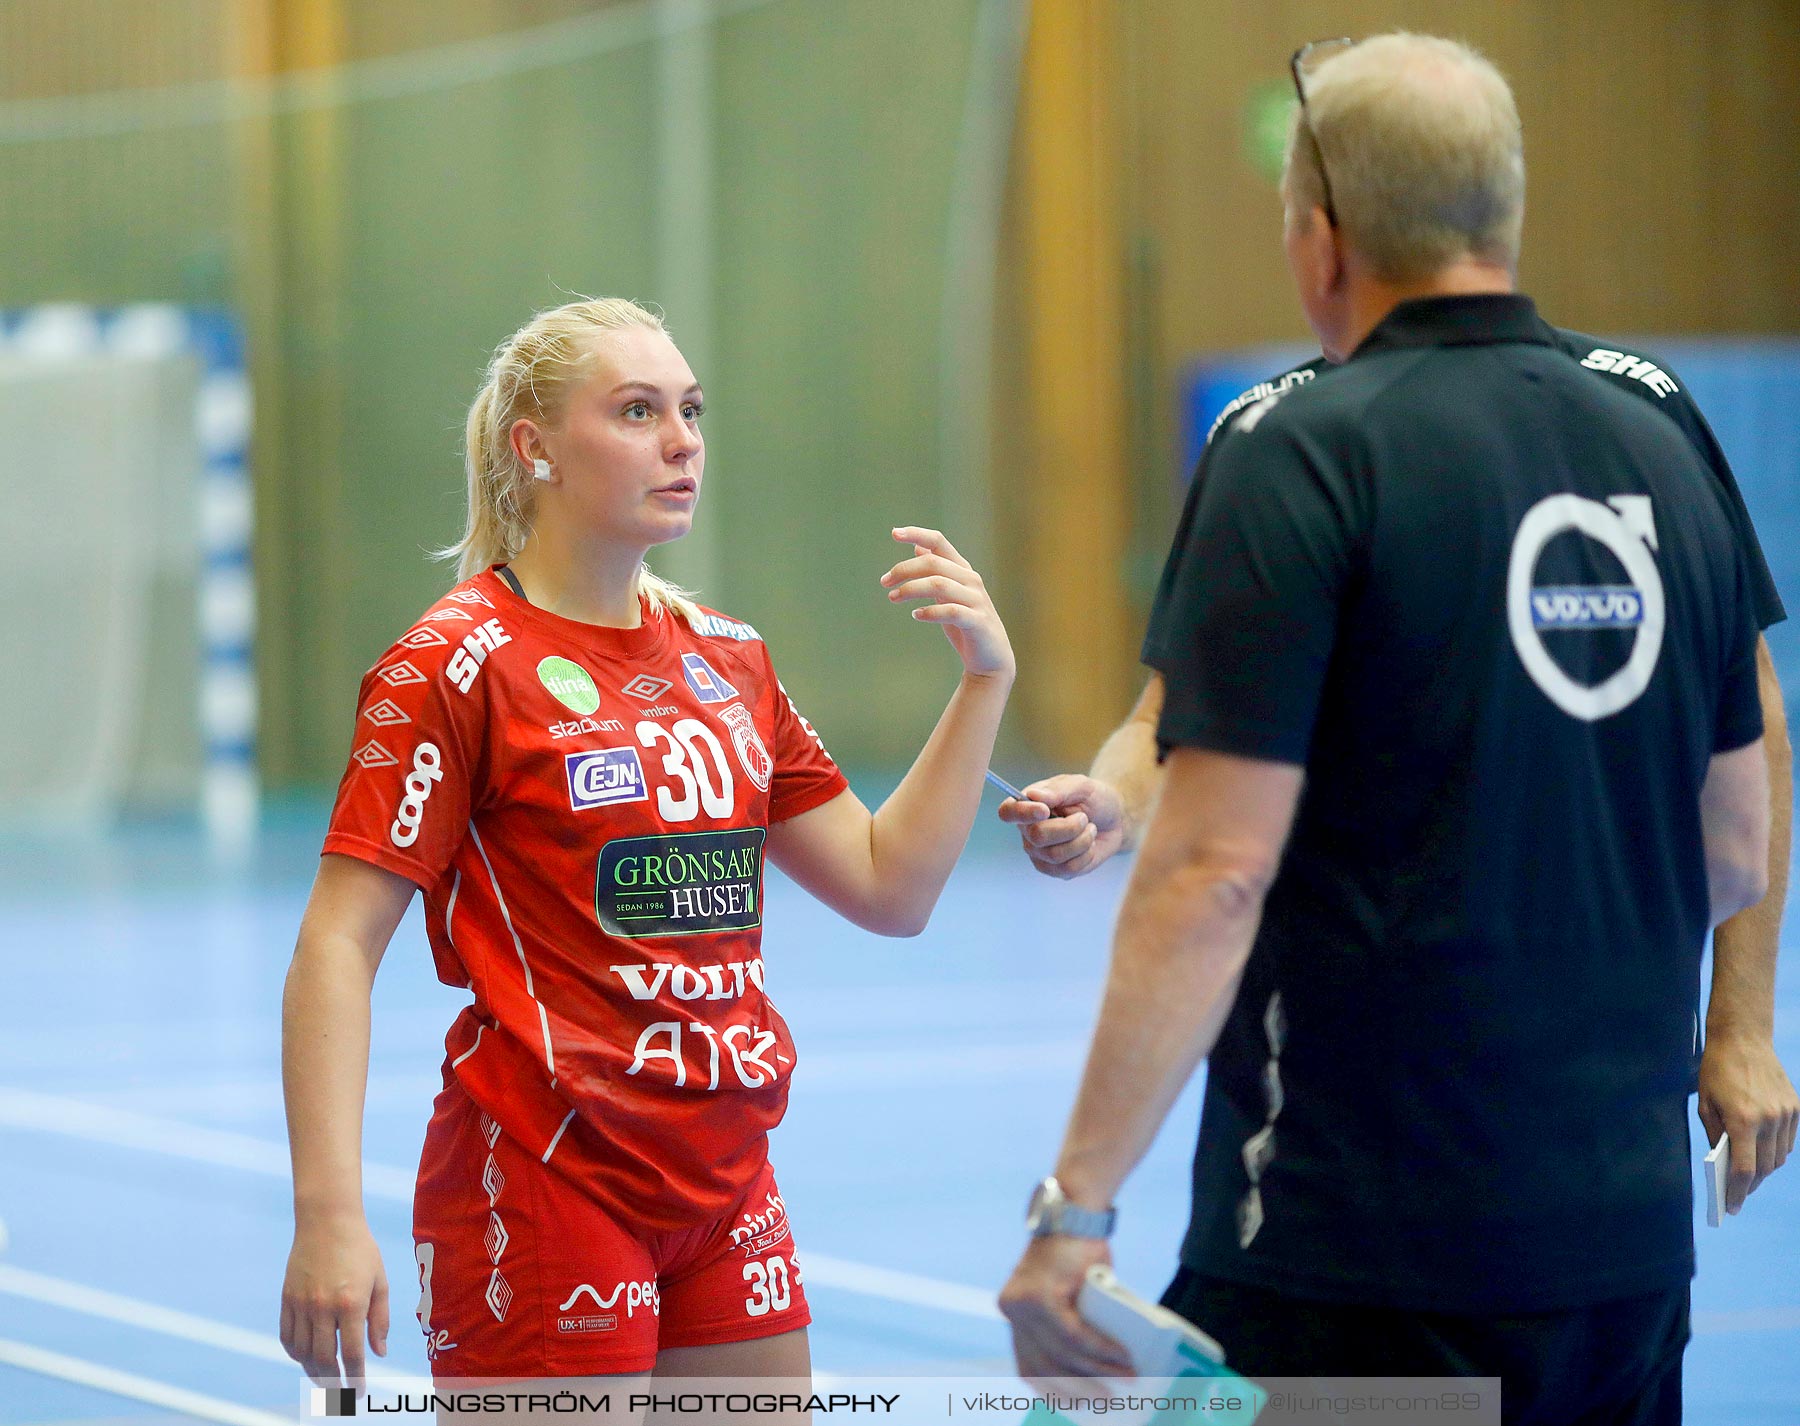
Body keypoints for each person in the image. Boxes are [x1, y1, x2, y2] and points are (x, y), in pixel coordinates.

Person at [998, 34, 1778, 1421]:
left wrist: (1077, 1203)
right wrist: (1734, 1022)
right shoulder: (1663, 434)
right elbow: (1734, 845)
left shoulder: (1295, 445)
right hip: (1623, 1254)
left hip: (1352, 1254)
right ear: (1509, 213)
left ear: (1319, 240)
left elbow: (1213, 867)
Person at [278, 297, 1014, 1389]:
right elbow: (336, 944)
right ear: (536, 450)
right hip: (547, 1175)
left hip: (726, 1180)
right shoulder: (451, 666)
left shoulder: (729, 660)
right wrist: (328, 1214)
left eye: (691, 411)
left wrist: (984, 681)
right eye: (636, 411)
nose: (682, 441)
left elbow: (887, 884)